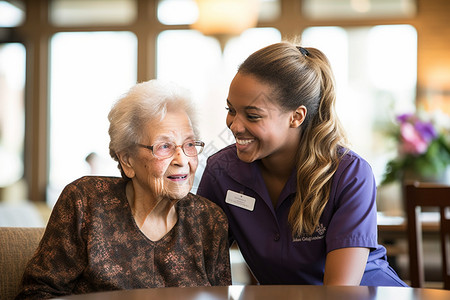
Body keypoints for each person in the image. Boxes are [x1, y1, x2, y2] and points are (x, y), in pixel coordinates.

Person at [197, 41, 408, 287]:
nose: (234, 125)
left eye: (253, 116)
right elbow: (198, 263)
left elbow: (338, 292)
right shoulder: (221, 171)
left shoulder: (350, 174)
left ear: (296, 117)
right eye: (231, 110)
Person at [16, 80, 231, 299]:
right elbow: (37, 294)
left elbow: (221, 296)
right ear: (127, 160)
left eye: (189, 145)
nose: (182, 160)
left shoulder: (209, 220)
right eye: (164, 146)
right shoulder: (85, 202)